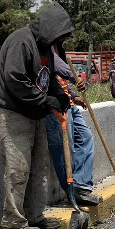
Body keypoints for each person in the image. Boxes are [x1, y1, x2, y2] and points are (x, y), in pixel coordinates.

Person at [0, 3, 74, 229]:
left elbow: (49, 78)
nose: (59, 41)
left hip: (35, 113)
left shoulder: (45, 47)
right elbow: (15, 78)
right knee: (18, 169)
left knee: (39, 168)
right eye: (59, 34)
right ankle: (12, 222)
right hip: (14, 113)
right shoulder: (21, 41)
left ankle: (34, 215)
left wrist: (59, 95)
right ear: (50, 28)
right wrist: (45, 99)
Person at [44, 50, 102, 206]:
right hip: (56, 107)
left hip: (69, 104)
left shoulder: (57, 49)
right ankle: (71, 192)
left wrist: (75, 98)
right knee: (64, 149)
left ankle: (81, 185)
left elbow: (63, 85)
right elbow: (61, 70)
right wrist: (73, 76)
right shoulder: (46, 50)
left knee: (85, 137)